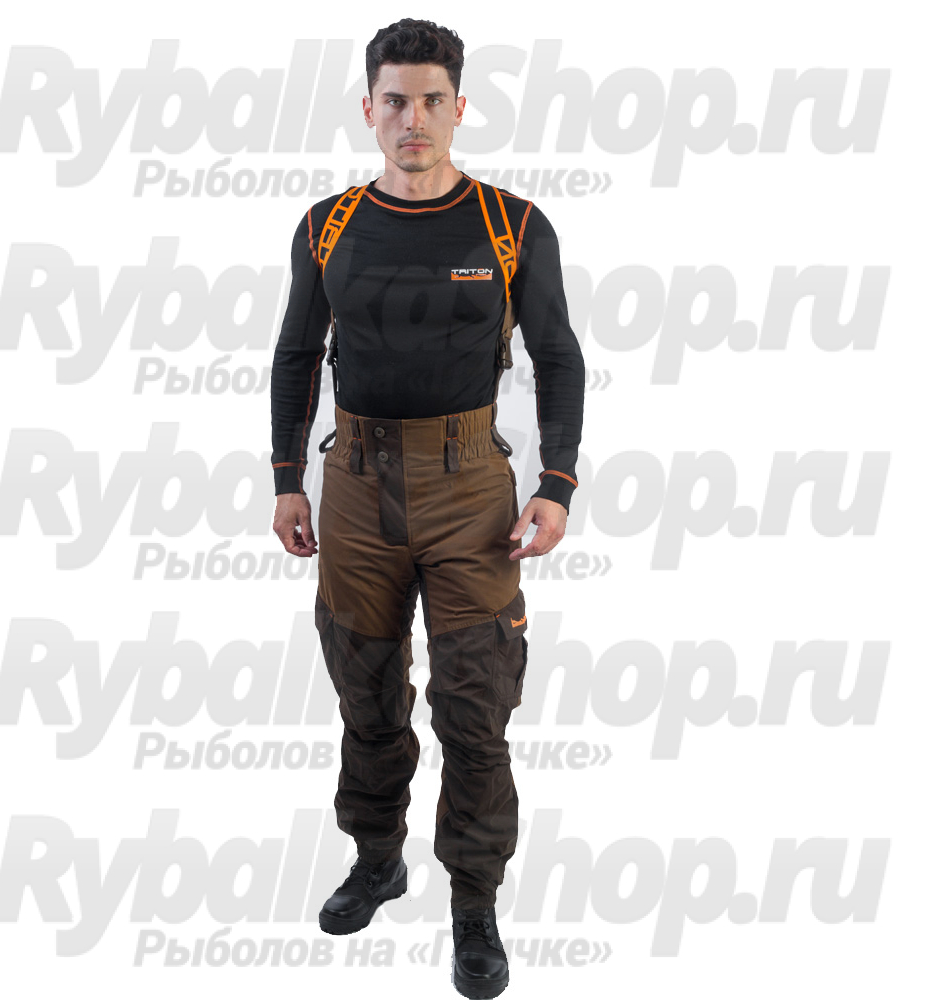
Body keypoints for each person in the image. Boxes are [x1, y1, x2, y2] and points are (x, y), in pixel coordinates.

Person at [270, 18, 584, 998]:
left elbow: (558, 356)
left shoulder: (511, 225)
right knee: (365, 694)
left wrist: (557, 484)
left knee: (476, 707)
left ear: (459, 107)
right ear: (368, 109)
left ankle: (474, 902)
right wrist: (287, 478)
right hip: (354, 493)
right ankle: (377, 859)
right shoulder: (326, 226)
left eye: (432, 100)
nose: (414, 118)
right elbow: (295, 354)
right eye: (396, 101)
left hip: (471, 493)